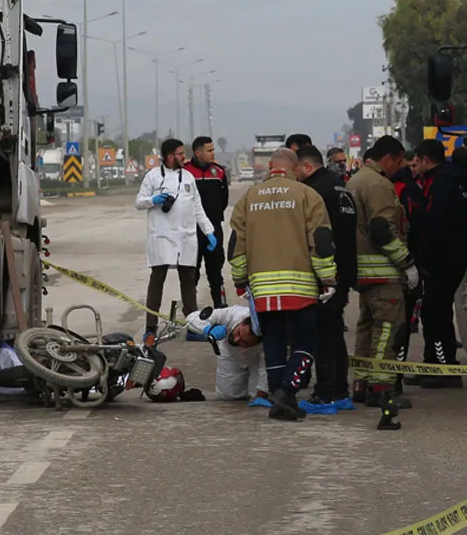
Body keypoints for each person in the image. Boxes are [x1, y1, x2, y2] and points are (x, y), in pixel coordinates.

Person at [228, 147, 337, 421]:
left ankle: (279, 397)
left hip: (263, 289)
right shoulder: (307, 195)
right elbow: (321, 243)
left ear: (270, 168)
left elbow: (236, 247)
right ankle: (287, 391)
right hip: (299, 287)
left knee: (274, 342)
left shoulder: (249, 198)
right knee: (305, 341)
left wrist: (241, 280)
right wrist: (327, 279)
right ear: (295, 168)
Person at [347, 135, 419, 408]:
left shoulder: (355, 180)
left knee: (366, 328)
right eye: (399, 162)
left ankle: (361, 383)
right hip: (383, 271)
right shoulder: (378, 184)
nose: (400, 168)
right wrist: (407, 262)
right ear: (387, 158)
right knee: (387, 330)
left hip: (363, 272)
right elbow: (382, 229)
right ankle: (382, 387)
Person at [295, 145, 358, 414]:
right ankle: (341, 390)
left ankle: (325, 393)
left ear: (307, 167)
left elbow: (318, 237)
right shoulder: (340, 186)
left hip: (326, 274)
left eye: (296, 170)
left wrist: (323, 277)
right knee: (334, 332)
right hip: (345, 269)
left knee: (322, 334)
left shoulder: (314, 192)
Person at [136, 138, 217, 345]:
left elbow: (198, 208)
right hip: (162, 235)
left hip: (186, 237)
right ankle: (150, 328)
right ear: (171, 156)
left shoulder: (188, 177)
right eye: (181, 153)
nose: (184, 157)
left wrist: (209, 231)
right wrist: (153, 200)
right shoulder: (153, 176)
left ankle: (193, 325)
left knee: (188, 281)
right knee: (157, 281)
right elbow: (139, 202)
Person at [413, 138, 467, 387]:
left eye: (417, 161)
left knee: (435, 315)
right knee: (435, 311)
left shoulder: (439, 185)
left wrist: (423, 260)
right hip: (454, 256)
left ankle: (444, 367)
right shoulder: (456, 179)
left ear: (427, 160)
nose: (414, 166)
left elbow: (434, 227)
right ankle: (433, 365)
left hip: (442, 260)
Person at [391, 147, 428, 391]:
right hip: (405, 264)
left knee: (389, 326)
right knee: (399, 325)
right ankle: (394, 377)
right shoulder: (407, 188)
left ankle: (387, 377)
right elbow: (419, 227)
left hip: (391, 267)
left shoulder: (393, 187)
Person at [185, 301, 267, 404]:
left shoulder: (268, 342)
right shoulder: (232, 314)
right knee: (228, 396)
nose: (236, 339)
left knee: (258, 393)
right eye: (238, 333)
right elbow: (191, 318)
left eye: (243, 341)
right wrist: (207, 328)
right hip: (230, 354)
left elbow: (265, 369)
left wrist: (262, 395)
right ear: (242, 322)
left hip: (256, 360)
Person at [184, 136, 230, 308]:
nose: (213, 153)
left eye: (213, 150)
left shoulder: (219, 172)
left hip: (214, 229)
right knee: (191, 273)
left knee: (215, 272)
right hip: (191, 230)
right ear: (198, 152)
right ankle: (191, 312)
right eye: (209, 150)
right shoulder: (185, 172)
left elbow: (223, 200)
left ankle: (221, 306)